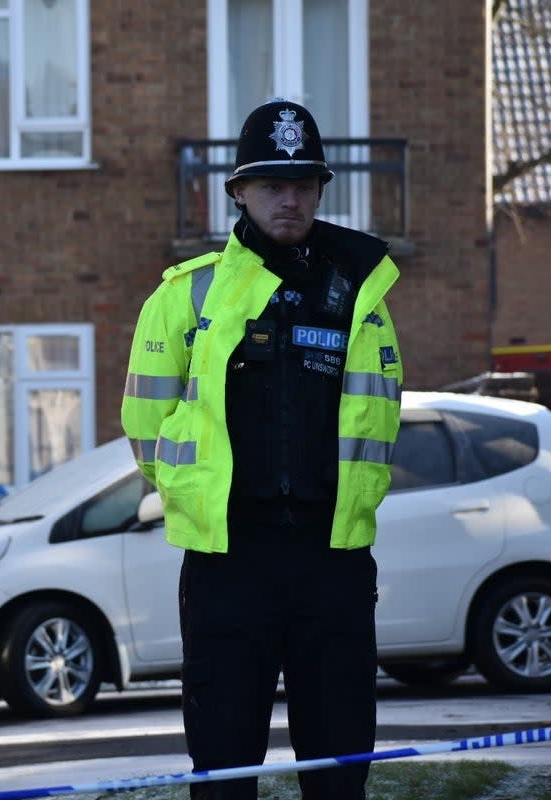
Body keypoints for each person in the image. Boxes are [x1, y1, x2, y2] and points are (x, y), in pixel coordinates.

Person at [121, 99, 403, 799]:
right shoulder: (187, 296)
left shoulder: (358, 293)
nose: (290, 199)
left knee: (339, 774)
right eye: (273, 184)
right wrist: (198, 504)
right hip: (229, 563)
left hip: (331, 561)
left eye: (304, 184)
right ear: (239, 193)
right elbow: (146, 427)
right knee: (224, 771)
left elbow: (381, 415)